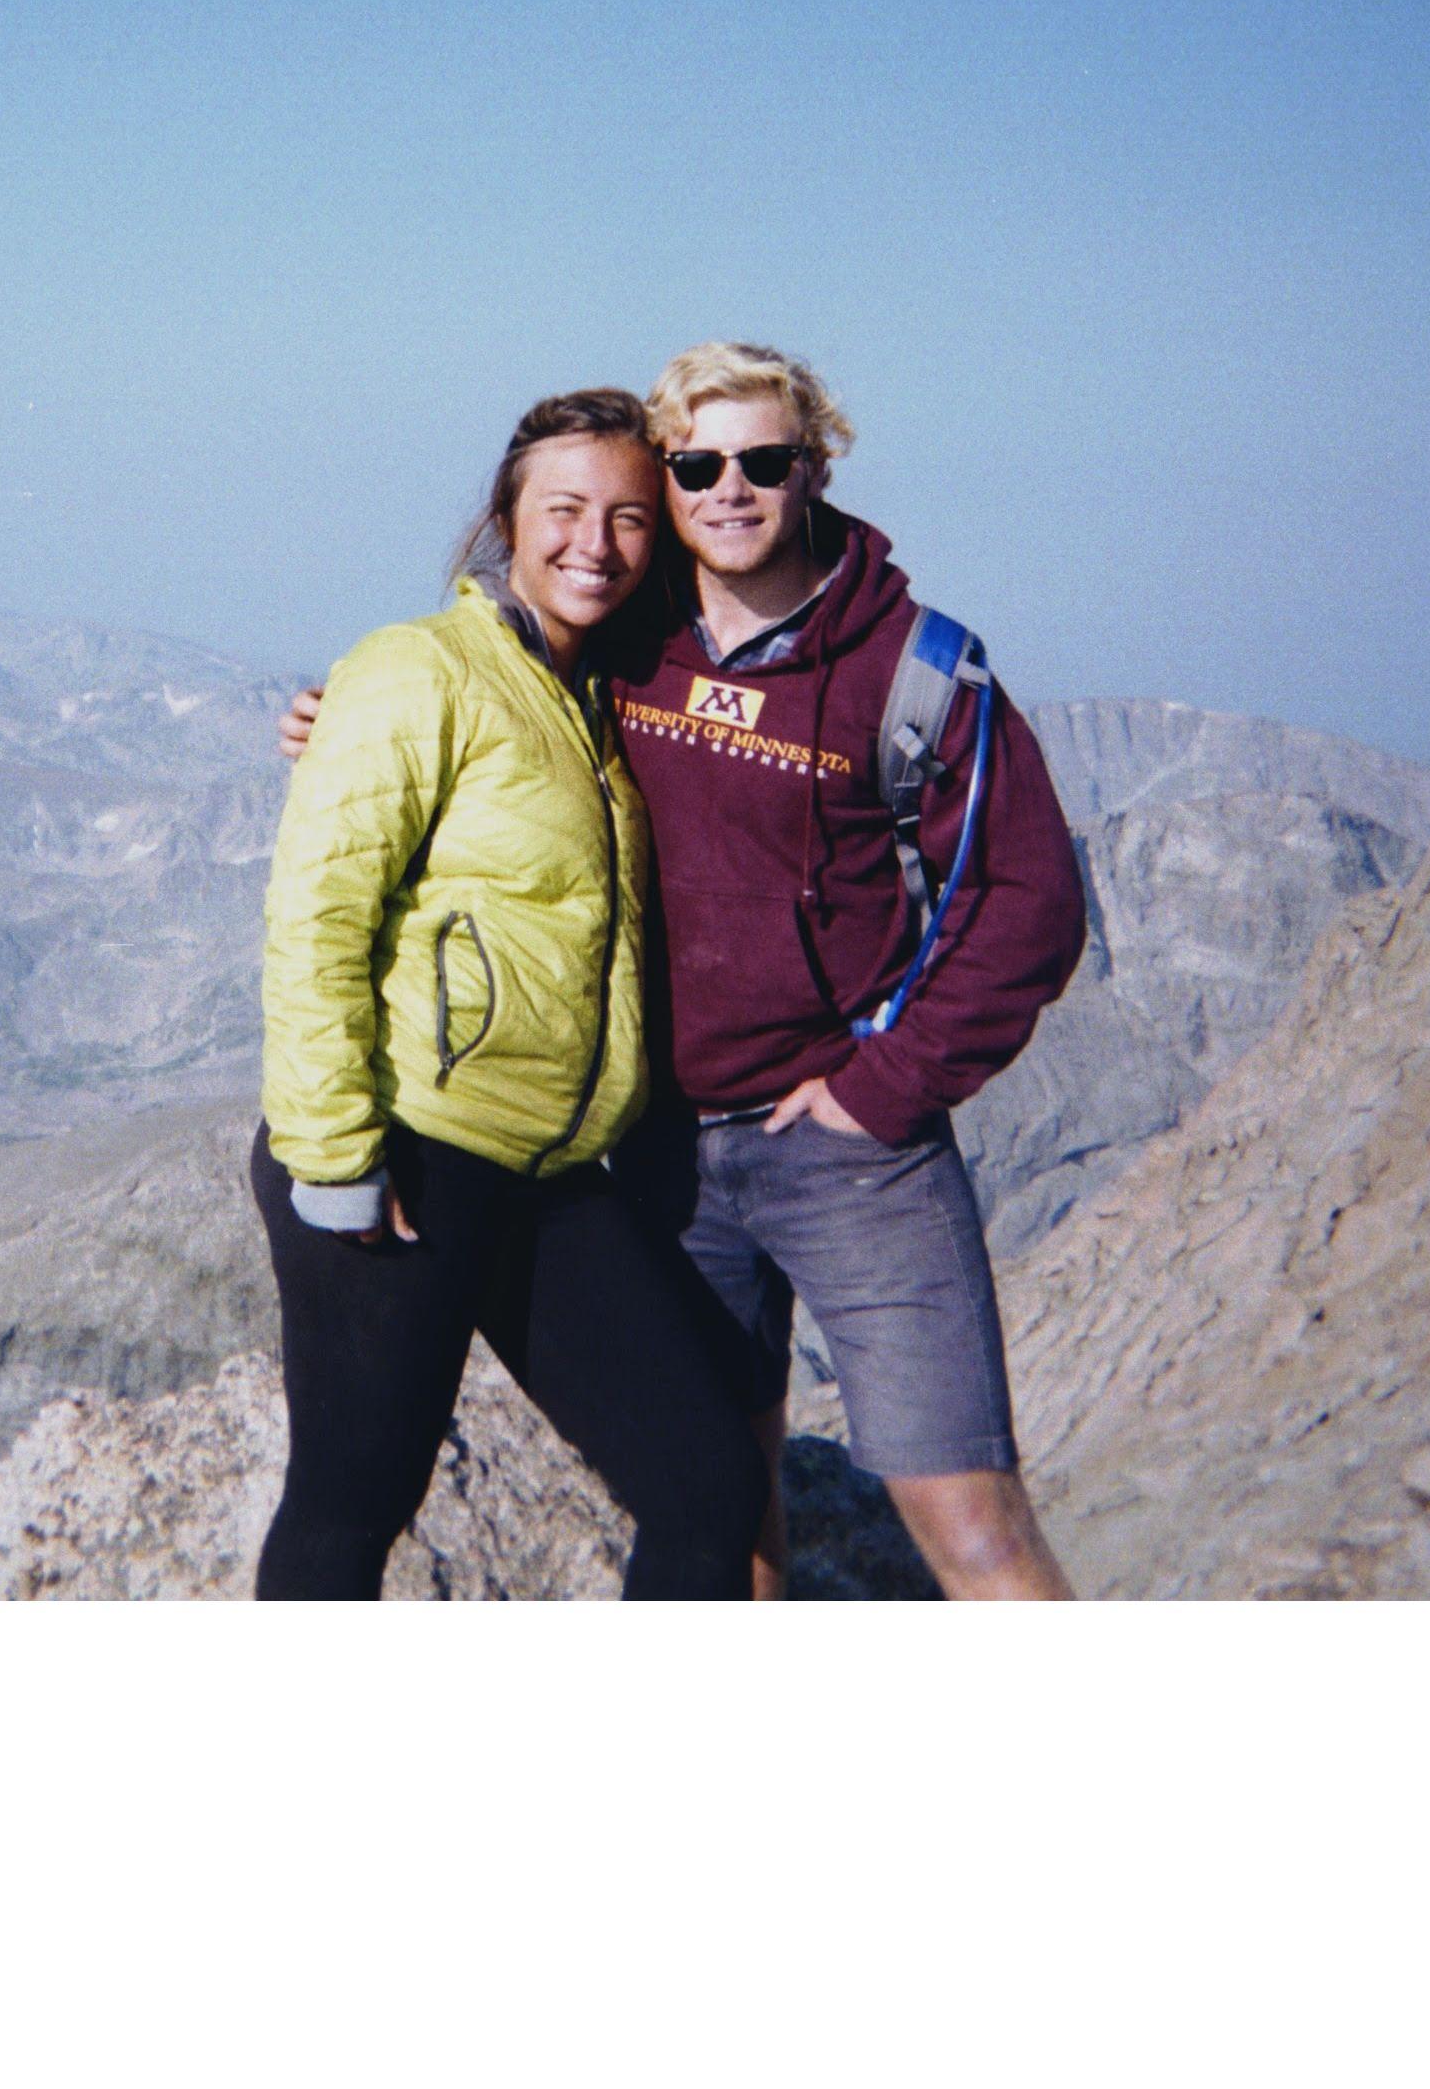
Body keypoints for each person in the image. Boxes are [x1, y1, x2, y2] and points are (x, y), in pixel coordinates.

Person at [284, 344, 1085, 1599]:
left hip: (848, 1149)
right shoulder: (635, 642)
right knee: (729, 1500)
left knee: (968, 1523)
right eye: (696, 466)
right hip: (664, 1156)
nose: (726, 489)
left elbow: (1030, 903)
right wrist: (340, 719)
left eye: (761, 462)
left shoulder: (911, 668)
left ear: (812, 469)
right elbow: (467, 712)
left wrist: (884, 1087)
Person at [251, 387, 767, 1600]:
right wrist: (334, 1161)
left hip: (547, 1178)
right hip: (410, 1159)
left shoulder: (599, 696)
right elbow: (318, 913)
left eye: (634, 518)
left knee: (708, 1486)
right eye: (567, 509)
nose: (597, 544)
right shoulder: (416, 668)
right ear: (506, 516)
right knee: (350, 1507)